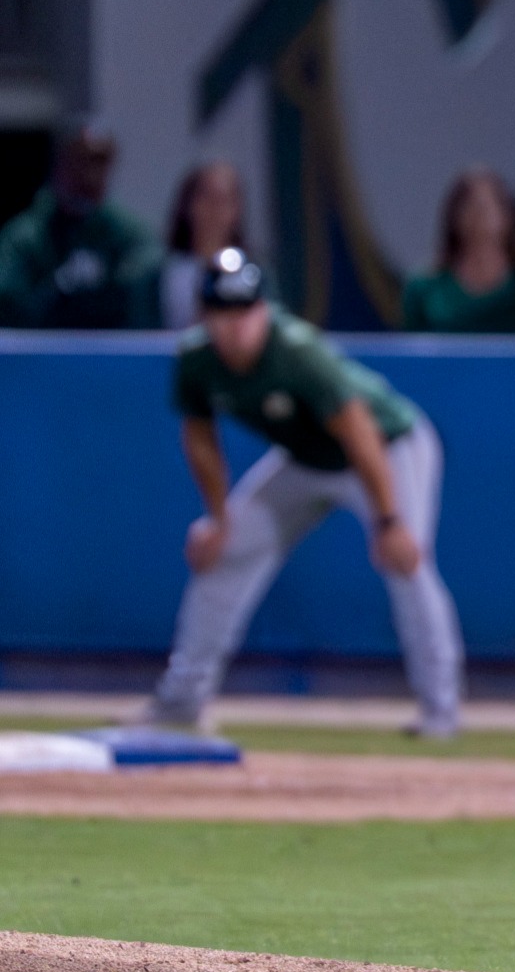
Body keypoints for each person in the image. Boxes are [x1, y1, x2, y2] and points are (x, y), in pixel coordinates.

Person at [143, 250, 464, 739]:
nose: (234, 328)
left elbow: (358, 429)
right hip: (307, 459)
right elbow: (201, 439)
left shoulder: (294, 348)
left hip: (387, 447)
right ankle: (182, 701)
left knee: (406, 562)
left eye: (244, 313)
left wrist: (389, 521)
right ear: (205, 316)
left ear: (264, 310)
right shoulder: (195, 358)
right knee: (224, 551)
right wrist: (218, 518)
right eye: (221, 315)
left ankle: (441, 714)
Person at [0, 116, 160, 328]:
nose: (91, 174)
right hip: (41, 355)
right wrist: (56, 288)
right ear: (59, 164)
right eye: (81, 160)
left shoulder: (128, 232)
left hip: (110, 356)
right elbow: (8, 304)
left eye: (100, 162)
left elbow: (145, 287)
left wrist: (105, 287)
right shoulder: (25, 235)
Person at [401, 166, 515, 334]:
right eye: (468, 206)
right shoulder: (424, 287)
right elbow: (408, 349)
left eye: (487, 206)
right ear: (453, 217)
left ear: (507, 216)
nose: (479, 215)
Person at [159, 160, 246, 330]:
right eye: (206, 197)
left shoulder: (254, 274)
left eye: (224, 200)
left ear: (237, 210)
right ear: (188, 205)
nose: (215, 209)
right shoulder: (156, 275)